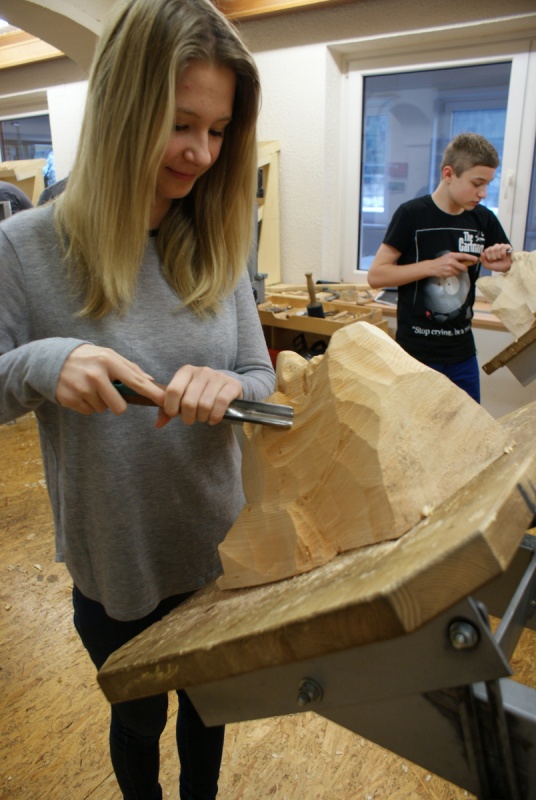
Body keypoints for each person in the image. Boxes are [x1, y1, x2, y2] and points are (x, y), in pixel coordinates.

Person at [0, 1, 275, 798]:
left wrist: (233, 385)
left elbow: (259, 376)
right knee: (137, 719)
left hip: (219, 550)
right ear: (123, 110)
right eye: (181, 124)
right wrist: (47, 360)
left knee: (210, 713)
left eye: (218, 130)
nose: (201, 153)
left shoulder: (222, 240)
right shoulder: (24, 248)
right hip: (116, 556)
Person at [368, 132, 512, 403]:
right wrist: (431, 267)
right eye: (477, 183)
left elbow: (510, 264)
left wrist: (506, 264)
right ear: (449, 174)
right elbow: (376, 275)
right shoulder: (412, 214)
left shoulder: (484, 219)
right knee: (414, 427)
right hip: (415, 354)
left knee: (468, 426)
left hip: (462, 355)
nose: (483, 193)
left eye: (488, 184)